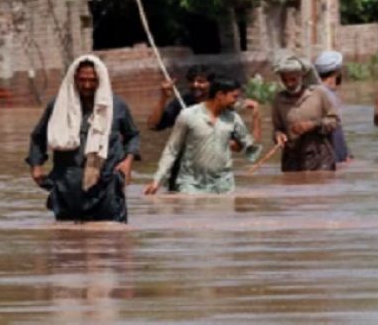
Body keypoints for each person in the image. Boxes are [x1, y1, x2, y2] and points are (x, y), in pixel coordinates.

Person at [26, 55, 140, 222]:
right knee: (68, 240)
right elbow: (38, 136)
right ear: (74, 79)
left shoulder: (116, 106)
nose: (87, 85)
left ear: (100, 79)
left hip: (106, 184)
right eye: (82, 80)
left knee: (112, 238)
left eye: (92, 80)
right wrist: (36, 167)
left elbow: (133, 136)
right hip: (68, 186)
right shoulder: (58, 106)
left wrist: (128, 161)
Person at [143, 76, 262, 195]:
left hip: (223, 185)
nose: (236, 101)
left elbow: (251, 146)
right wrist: (157, 180)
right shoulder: (188, 115)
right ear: (220, 95)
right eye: (234, 97)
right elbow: (172, 149)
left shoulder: (233, 118)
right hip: (190, 184)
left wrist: (256, 117)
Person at [271, 55, 340, 171]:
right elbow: (277, 128)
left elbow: (334, 121)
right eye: (285, 80)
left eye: (293, 79)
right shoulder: (279, 100)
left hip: (320, 157)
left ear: (301, 77)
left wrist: (312, 125)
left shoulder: (318, 94)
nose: (289, 84)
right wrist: (278, 136)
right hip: (292, 158)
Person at [146, 65, 213, 131]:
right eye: (191, 81)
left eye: (201, 81)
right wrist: (164, 97)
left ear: (211, 84)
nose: (195, 85)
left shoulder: (218, 101)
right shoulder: (183, 102)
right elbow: (152, 125)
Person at [314, 50, 351, 162]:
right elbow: (333, 129)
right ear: (336, 71)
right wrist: (343, 155)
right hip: (329, 156)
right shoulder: (325, 94)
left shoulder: (324, 92)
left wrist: (347, 153)